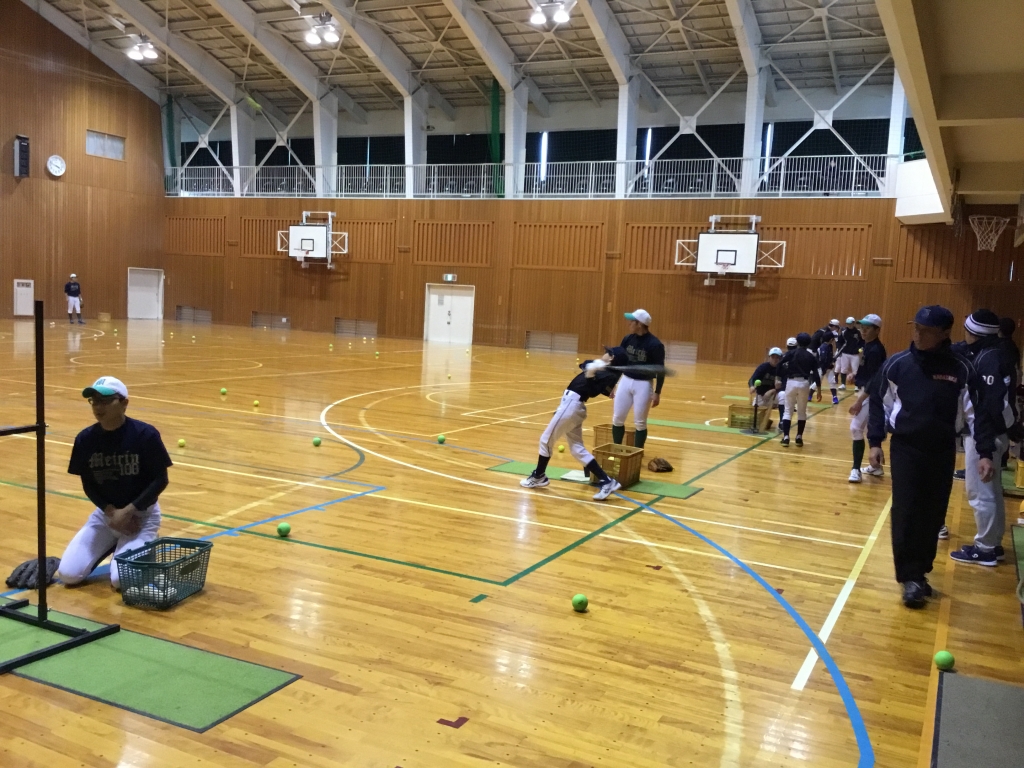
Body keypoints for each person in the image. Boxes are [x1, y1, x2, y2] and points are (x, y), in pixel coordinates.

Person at [867, 305, 995, 608]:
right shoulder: (897, 364)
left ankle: (921, 571)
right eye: (916, 328)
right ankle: (909, 577)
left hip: (942, 449)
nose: (918, 334)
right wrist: (875, 442)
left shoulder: (961, 369)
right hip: (906, 448)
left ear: (945, 333)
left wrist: (985, 452)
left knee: (933, 514)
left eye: (926, 331)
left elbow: (978, 414)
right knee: (906, 511)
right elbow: (878, 402)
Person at [58, 376, 172, 590]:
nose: (98, 407)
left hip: (141, 516)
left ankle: (146, 545)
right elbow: (88, 484)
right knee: (68, 575)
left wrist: (128, 512)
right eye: (94, 401)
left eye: (105, 401)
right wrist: (112, 513)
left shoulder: (145, 434)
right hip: (106, 516)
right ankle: (113, 545)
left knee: (120, 581)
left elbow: (160, 480)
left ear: (124, 403)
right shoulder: (85, 439)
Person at [949, 310, 1014, 566]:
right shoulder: (992, 352)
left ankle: (985, 548)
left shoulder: (988, 360)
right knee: (992, 492)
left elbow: (987, 408)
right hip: (994, 432)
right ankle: (993, 544)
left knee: (980, 492)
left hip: (985, 434)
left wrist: (984, 450)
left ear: (973, 332)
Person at [521, 348, 629, 501]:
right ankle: (607, 481)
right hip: (571, 405)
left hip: (572, 405)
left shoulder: (608, 375)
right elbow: (583, 364)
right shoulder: (603, 369)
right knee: (577, 449)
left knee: (545, 440)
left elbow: (593, 391)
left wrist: (591, 374)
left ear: (612, 358)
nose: (604, 353)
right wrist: (594, 366)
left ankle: (539, 476)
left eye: (608, 352)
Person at [611, 309, 665, 450]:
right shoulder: (627, 339)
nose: (629, 324)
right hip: (625, 380)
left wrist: (657, 392)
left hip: (643, 384)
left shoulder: (655, 344)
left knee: (640, 422)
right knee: (617, 418)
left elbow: (660, 370)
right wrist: (612, 384)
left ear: (639, 324)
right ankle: (617, 450)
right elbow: (619, 362)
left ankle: (637, 453)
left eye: (632, 321)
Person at [847, 314, 887, 483]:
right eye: (862, 327)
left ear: (877, 331)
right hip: (867, 391)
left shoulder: (876, 350)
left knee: (856, 428)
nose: (863, 331)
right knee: (870, 428)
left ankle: (855, 469)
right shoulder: (868, 346)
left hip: (871, 394)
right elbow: (869, 371)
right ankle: (875, 467)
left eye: (867, 328)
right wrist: (856, 374)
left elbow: (875, 380)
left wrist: (859, 401)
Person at [777, 332, 820, 447]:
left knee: (788, 411)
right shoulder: (811, 356)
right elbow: (816, 374)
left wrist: (781, 375)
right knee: (802, 411)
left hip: (791, 382)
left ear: (797, 342)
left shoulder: (791, 353)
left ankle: (786, 437)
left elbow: (779, 365)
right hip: (804, 383)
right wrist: (819, 390)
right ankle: (799, 437)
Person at [749, 347, 783, 431]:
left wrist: (773, 391)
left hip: (776, 394)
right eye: (773, 357)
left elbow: (786, 385)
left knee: (784, 398)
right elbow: (752, 379)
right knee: (755, 417)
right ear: (769, 357)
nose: (775, 359)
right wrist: (752, 386)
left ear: (780, 359)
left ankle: (782, 422)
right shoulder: (763, 367)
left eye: (777, 357)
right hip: (762, 395)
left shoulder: (782, 369)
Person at [811, 331, 839, 405]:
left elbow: (828, 358)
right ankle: (810, 395)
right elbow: (823, 359)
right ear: (831, 339)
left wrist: (832, 360)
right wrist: (824, 369)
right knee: (817, 382)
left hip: (828, 368)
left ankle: (834, 397)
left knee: (832, 381)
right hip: (821, 368)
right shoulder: (823, 347)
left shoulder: (830, 346)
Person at [836, 316, 863, 389]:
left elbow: (862, 342)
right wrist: (840, 349)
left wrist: (859, 349)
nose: (849, 325)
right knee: (843, 369)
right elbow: (839, 342)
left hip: (855, 354)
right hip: (845, 353)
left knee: (856, 370)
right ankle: (843, 384)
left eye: (850, 323)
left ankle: (857, 386)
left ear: (854, 323)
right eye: (848, 324)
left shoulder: (858, 332)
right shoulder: (844, 332)